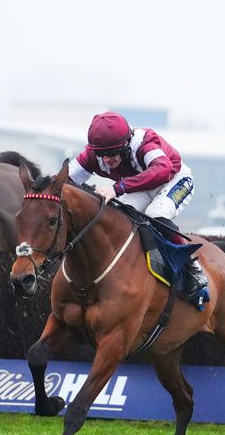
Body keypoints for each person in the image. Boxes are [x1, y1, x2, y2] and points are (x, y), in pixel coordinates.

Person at [68, 111, 207, 298]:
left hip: (174, 180)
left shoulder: (143, 143)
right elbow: (63, 180)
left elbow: (163, 170)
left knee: (156, 214)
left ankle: (192, 268)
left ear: (126, 143)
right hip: (142, 186)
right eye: (101, 153)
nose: (107, 159)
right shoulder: (92, 156)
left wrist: (117, 188)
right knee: (120, 216)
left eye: (112, 152)